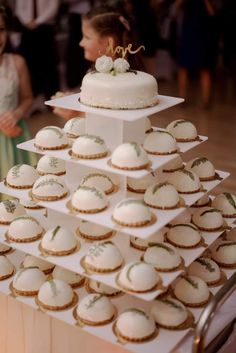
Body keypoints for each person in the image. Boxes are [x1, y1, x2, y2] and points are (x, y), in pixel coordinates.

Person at [53, 4, 144, 119]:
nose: (81, 43)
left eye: (87, 37)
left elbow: (114, 121)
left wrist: (76, 114)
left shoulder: (123, 82)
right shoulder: (95, 74)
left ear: (109, 42)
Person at [0, 5, 37, 193]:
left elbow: (28, 98)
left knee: (16, 193)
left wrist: (16, 113)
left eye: (1, 29)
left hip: (14, 138)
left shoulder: (17, 63)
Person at [176, 0, 221, 108]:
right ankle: (182, 98)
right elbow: (176, 6)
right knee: (183, 67)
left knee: (205, 68)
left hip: (204, 35)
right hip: (188, 33)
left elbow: (212, 13)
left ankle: (206, 100)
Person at [14, 0, 60, 100]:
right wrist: (27, 22)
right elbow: (19, 9)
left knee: (49, 62)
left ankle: (51, 95)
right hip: (27, 29)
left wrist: (37, 21)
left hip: (45, 28)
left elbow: (53, 7)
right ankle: (31, 94)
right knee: (29, 62)